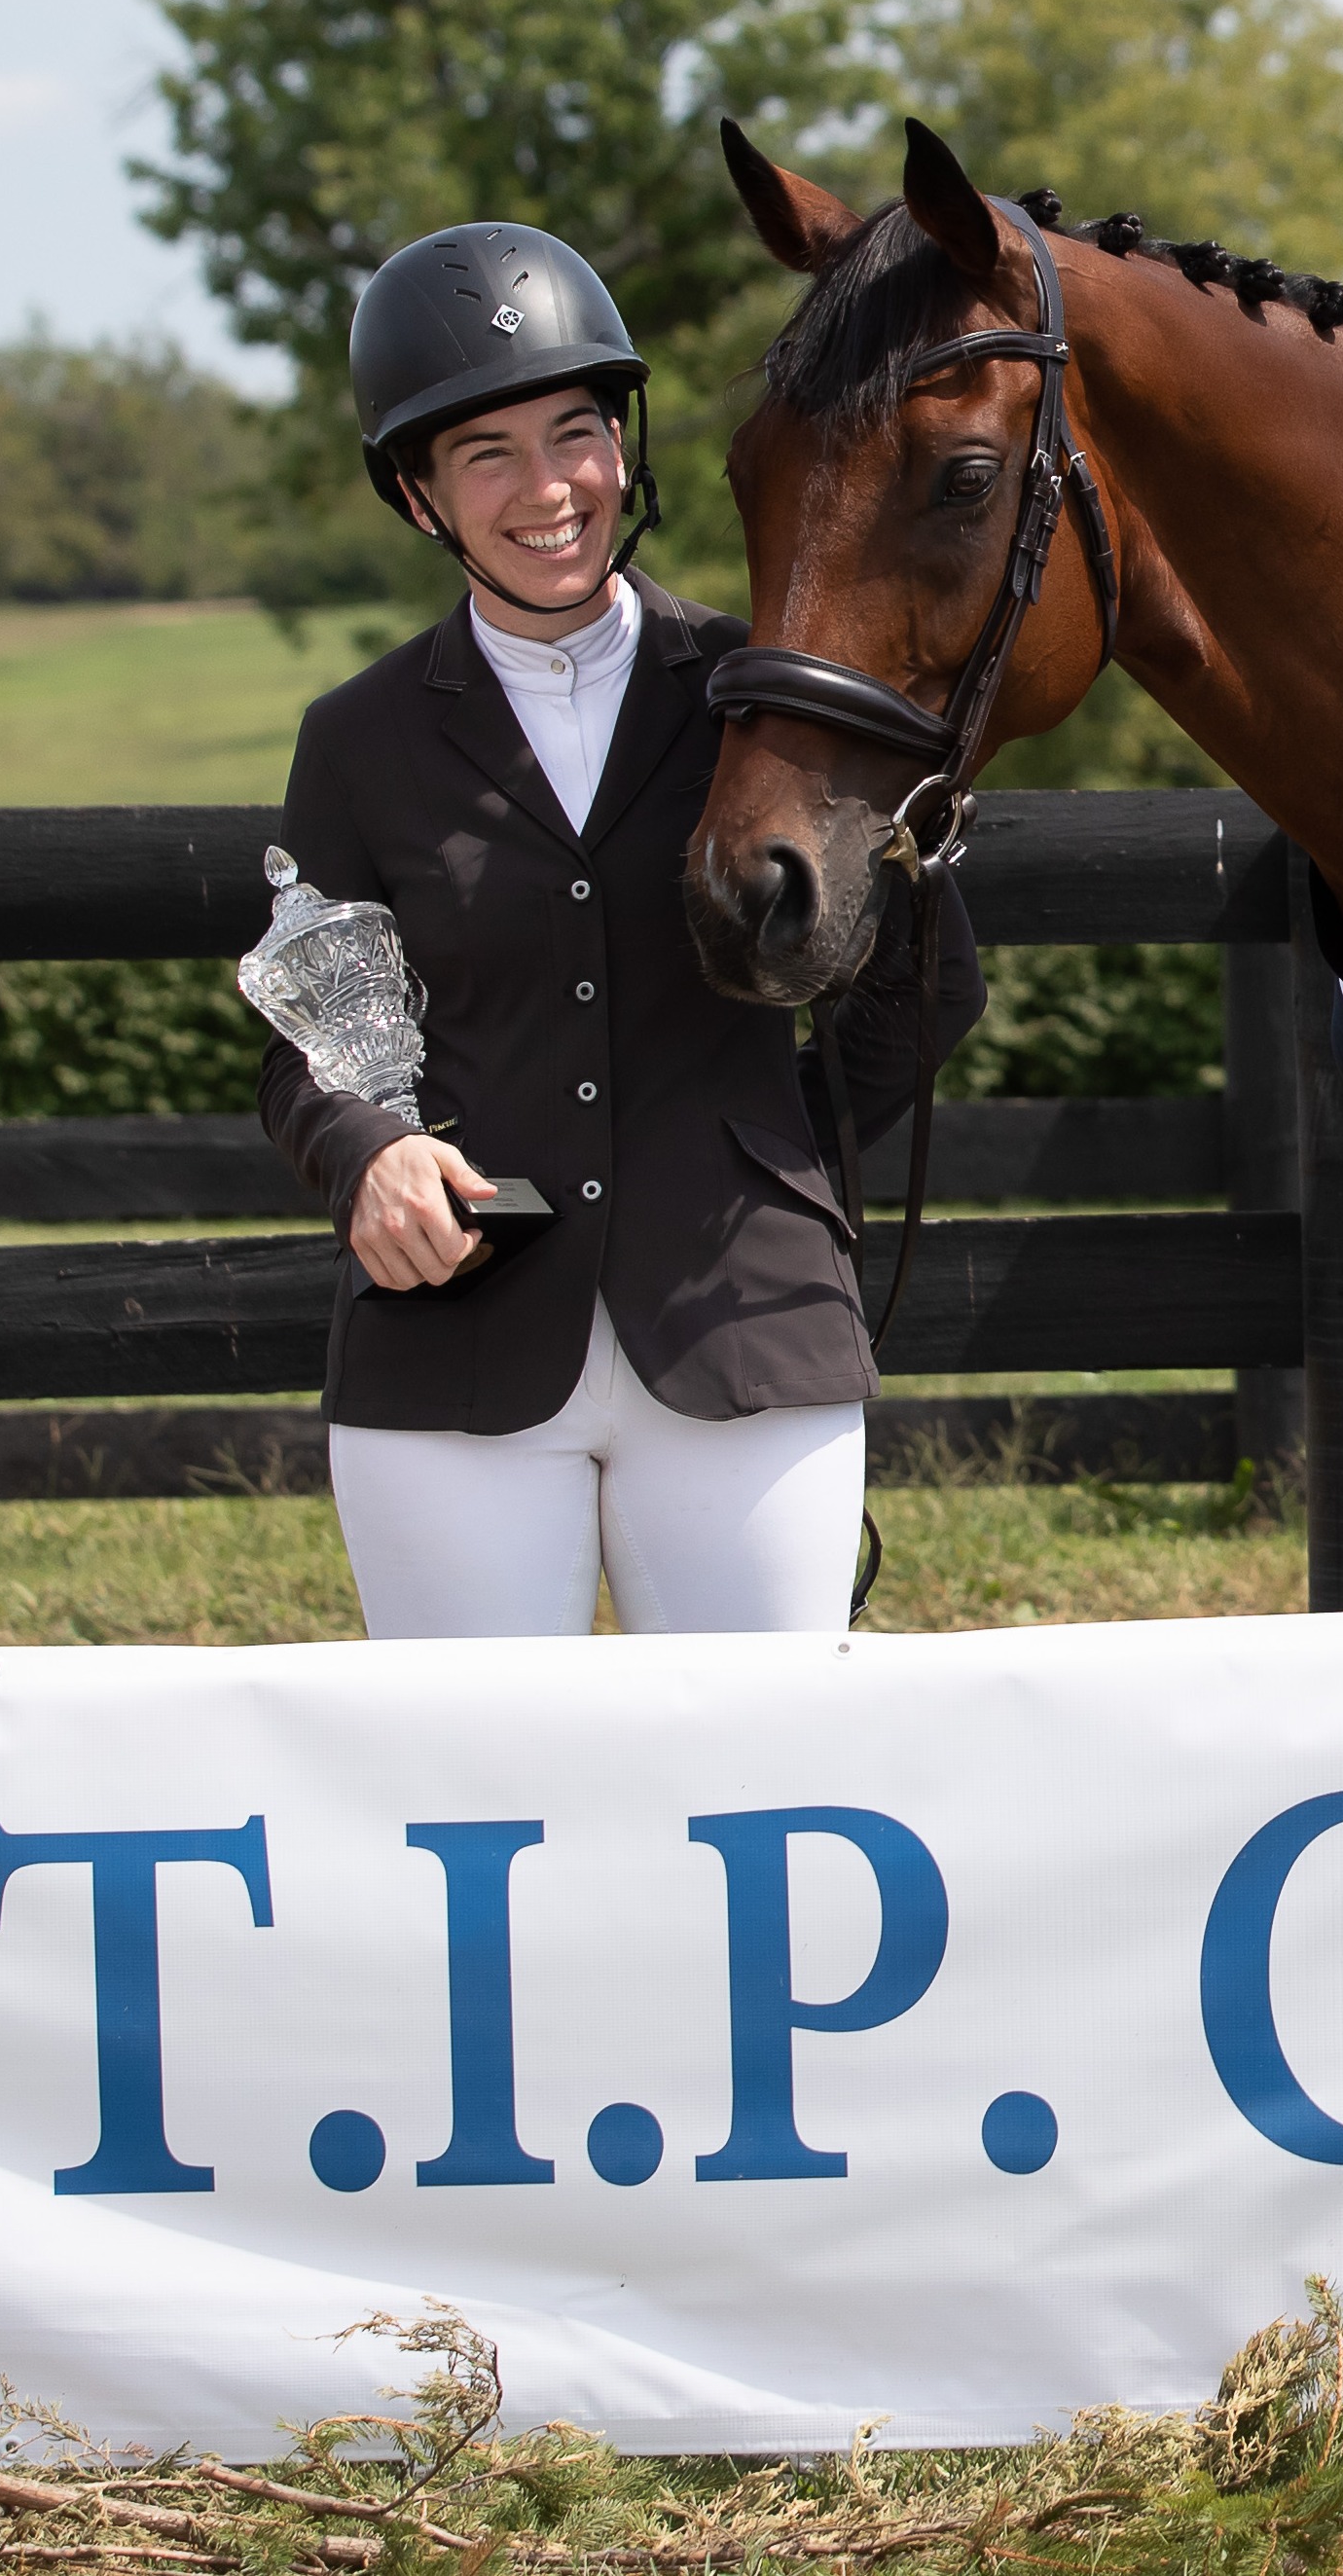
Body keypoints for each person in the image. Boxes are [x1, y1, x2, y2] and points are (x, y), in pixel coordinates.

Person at [257, 219, 978, 1637]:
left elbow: (919, 991)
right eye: (488, 455)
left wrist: (767, 1170)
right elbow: (311, 1037)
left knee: (762, 1777)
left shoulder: (759, 686)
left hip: (745, 1324)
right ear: (420, 496)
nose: (549, 490)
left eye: (574, 433)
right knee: (479, 1789)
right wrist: (369, 1155)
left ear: (623, 445)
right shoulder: (356, 741)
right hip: (456, 1343)